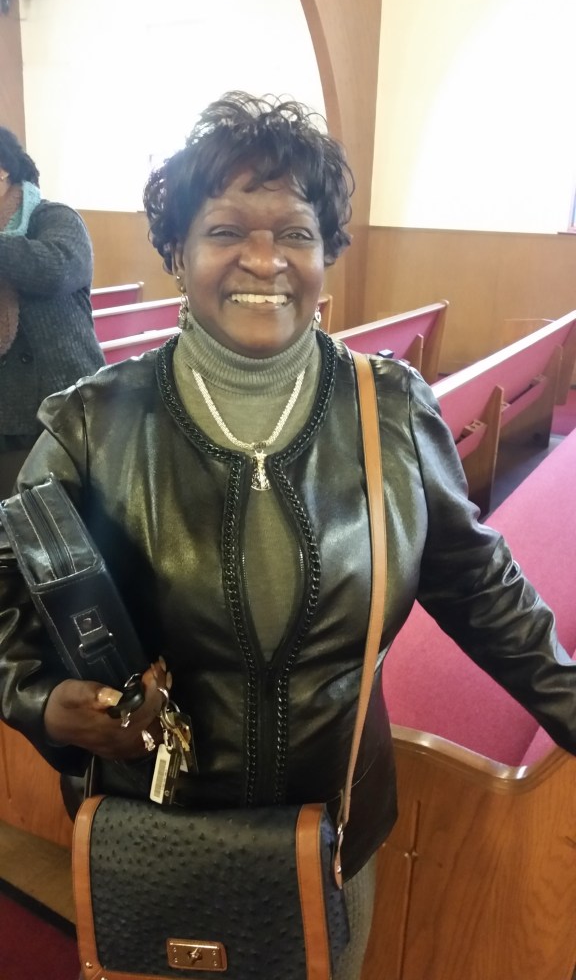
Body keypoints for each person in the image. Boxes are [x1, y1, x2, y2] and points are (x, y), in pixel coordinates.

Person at [0, 92, 574, 980]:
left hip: (334, 830)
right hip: (158, 836)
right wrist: (41, 704)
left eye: (295, 233)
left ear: (326, 253)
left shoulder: (388, 410)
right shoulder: (93, 425)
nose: (262, 259)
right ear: (179, 254)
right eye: (226, 229)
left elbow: (478, 584)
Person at [0, 127, 104, 498]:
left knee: (59, 534)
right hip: (6, 420)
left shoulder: (54, 217)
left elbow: (57, 269)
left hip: (64, 411)